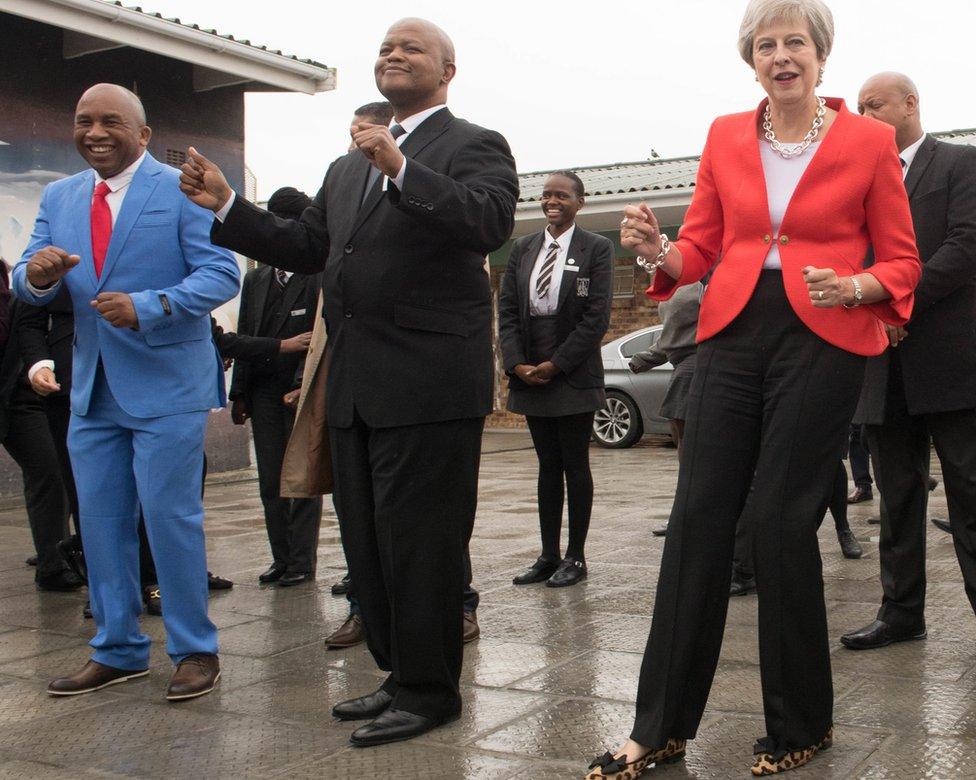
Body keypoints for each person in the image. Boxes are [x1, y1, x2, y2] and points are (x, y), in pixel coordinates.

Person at [587, 2, 921, 777]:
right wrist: (659, 250)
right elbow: (702, 246)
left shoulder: (869, 142)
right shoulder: (724, 136)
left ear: (820, 54)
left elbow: (904, 261)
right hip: (732, 329)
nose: (780, 55)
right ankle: (658, 726)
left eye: (794, 42)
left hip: (824, 330)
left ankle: (800, 723)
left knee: (777, 520)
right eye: (765, 44)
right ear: (752, 60)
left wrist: (857, 283)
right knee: (700, 516)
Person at [179, 19, 518, 746]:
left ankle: (431, 693)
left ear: (448, 70)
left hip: (429, 385)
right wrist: (229, 207)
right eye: (386, 48)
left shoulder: (472, 145)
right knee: (369, 547)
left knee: (422, 544)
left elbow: (487, 222)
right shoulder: (344, 167)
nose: (393, 55)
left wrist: (401, 166)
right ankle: (398, 675)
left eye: (411, 48)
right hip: (357, 385)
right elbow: (309, 248)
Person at [13, 84, 240, 701]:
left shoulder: (181, 187)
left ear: (142, 134)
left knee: (170, 519)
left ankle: (195, 649)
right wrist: (32, 276)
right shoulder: (60, 196)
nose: (95, 132)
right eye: (84, 121)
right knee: (101, 522)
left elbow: (222, 271)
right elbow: (28, 271)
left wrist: (149, 306)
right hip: (91, 388)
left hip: (167, 384)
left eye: (111, 121)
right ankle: (117, 649)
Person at [841, 73, 976, 651]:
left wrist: (900, 306)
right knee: (897, 495)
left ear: (910, 104)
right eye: (860, 108)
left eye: (875, 106)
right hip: (882, 365)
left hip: (951, 365)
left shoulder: (960, 165)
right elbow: (852, 257)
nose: (865, 115)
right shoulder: (859, 180)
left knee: (970, 491)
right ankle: (901, 613)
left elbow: (965, 246)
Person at [499, 170, 613, 588]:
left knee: (574, 464)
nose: (552, 201)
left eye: (562, 195)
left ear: (579, 202)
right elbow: (508, 311)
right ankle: (547, 555)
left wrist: (557, 364)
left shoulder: (596, 248)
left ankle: (575, 557)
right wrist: (517, 363)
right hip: (530, 373)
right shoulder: (523, 248)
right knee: (547, 466)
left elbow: (596, 316)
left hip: (573, 373)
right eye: (547, 195)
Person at [227, 186, 321, 587]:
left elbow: (322, 337)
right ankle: (280, 557)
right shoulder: (257, 277)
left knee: (300, 476)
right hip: (263, 390)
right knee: (270, 479)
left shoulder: (317, 273)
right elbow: (246, 331)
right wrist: (240, 394)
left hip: (301, 390)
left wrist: (306, 384)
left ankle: (301, 560)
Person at [0, 294, 81, 591]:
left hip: (56, 390)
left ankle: (59, 550)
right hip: (19, 396)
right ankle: (53, 563)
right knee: (50, 472)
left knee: (63, 472)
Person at [629, 281, 703, 537]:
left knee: (689, 449)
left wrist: (645, 358)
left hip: (696, 364)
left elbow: (677, 337)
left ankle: (686, 518)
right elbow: (671, 336)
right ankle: (685, 516)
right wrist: (643, 359)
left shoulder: (701, 283)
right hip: (684, 364)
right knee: (685, 448)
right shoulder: (676, 285)